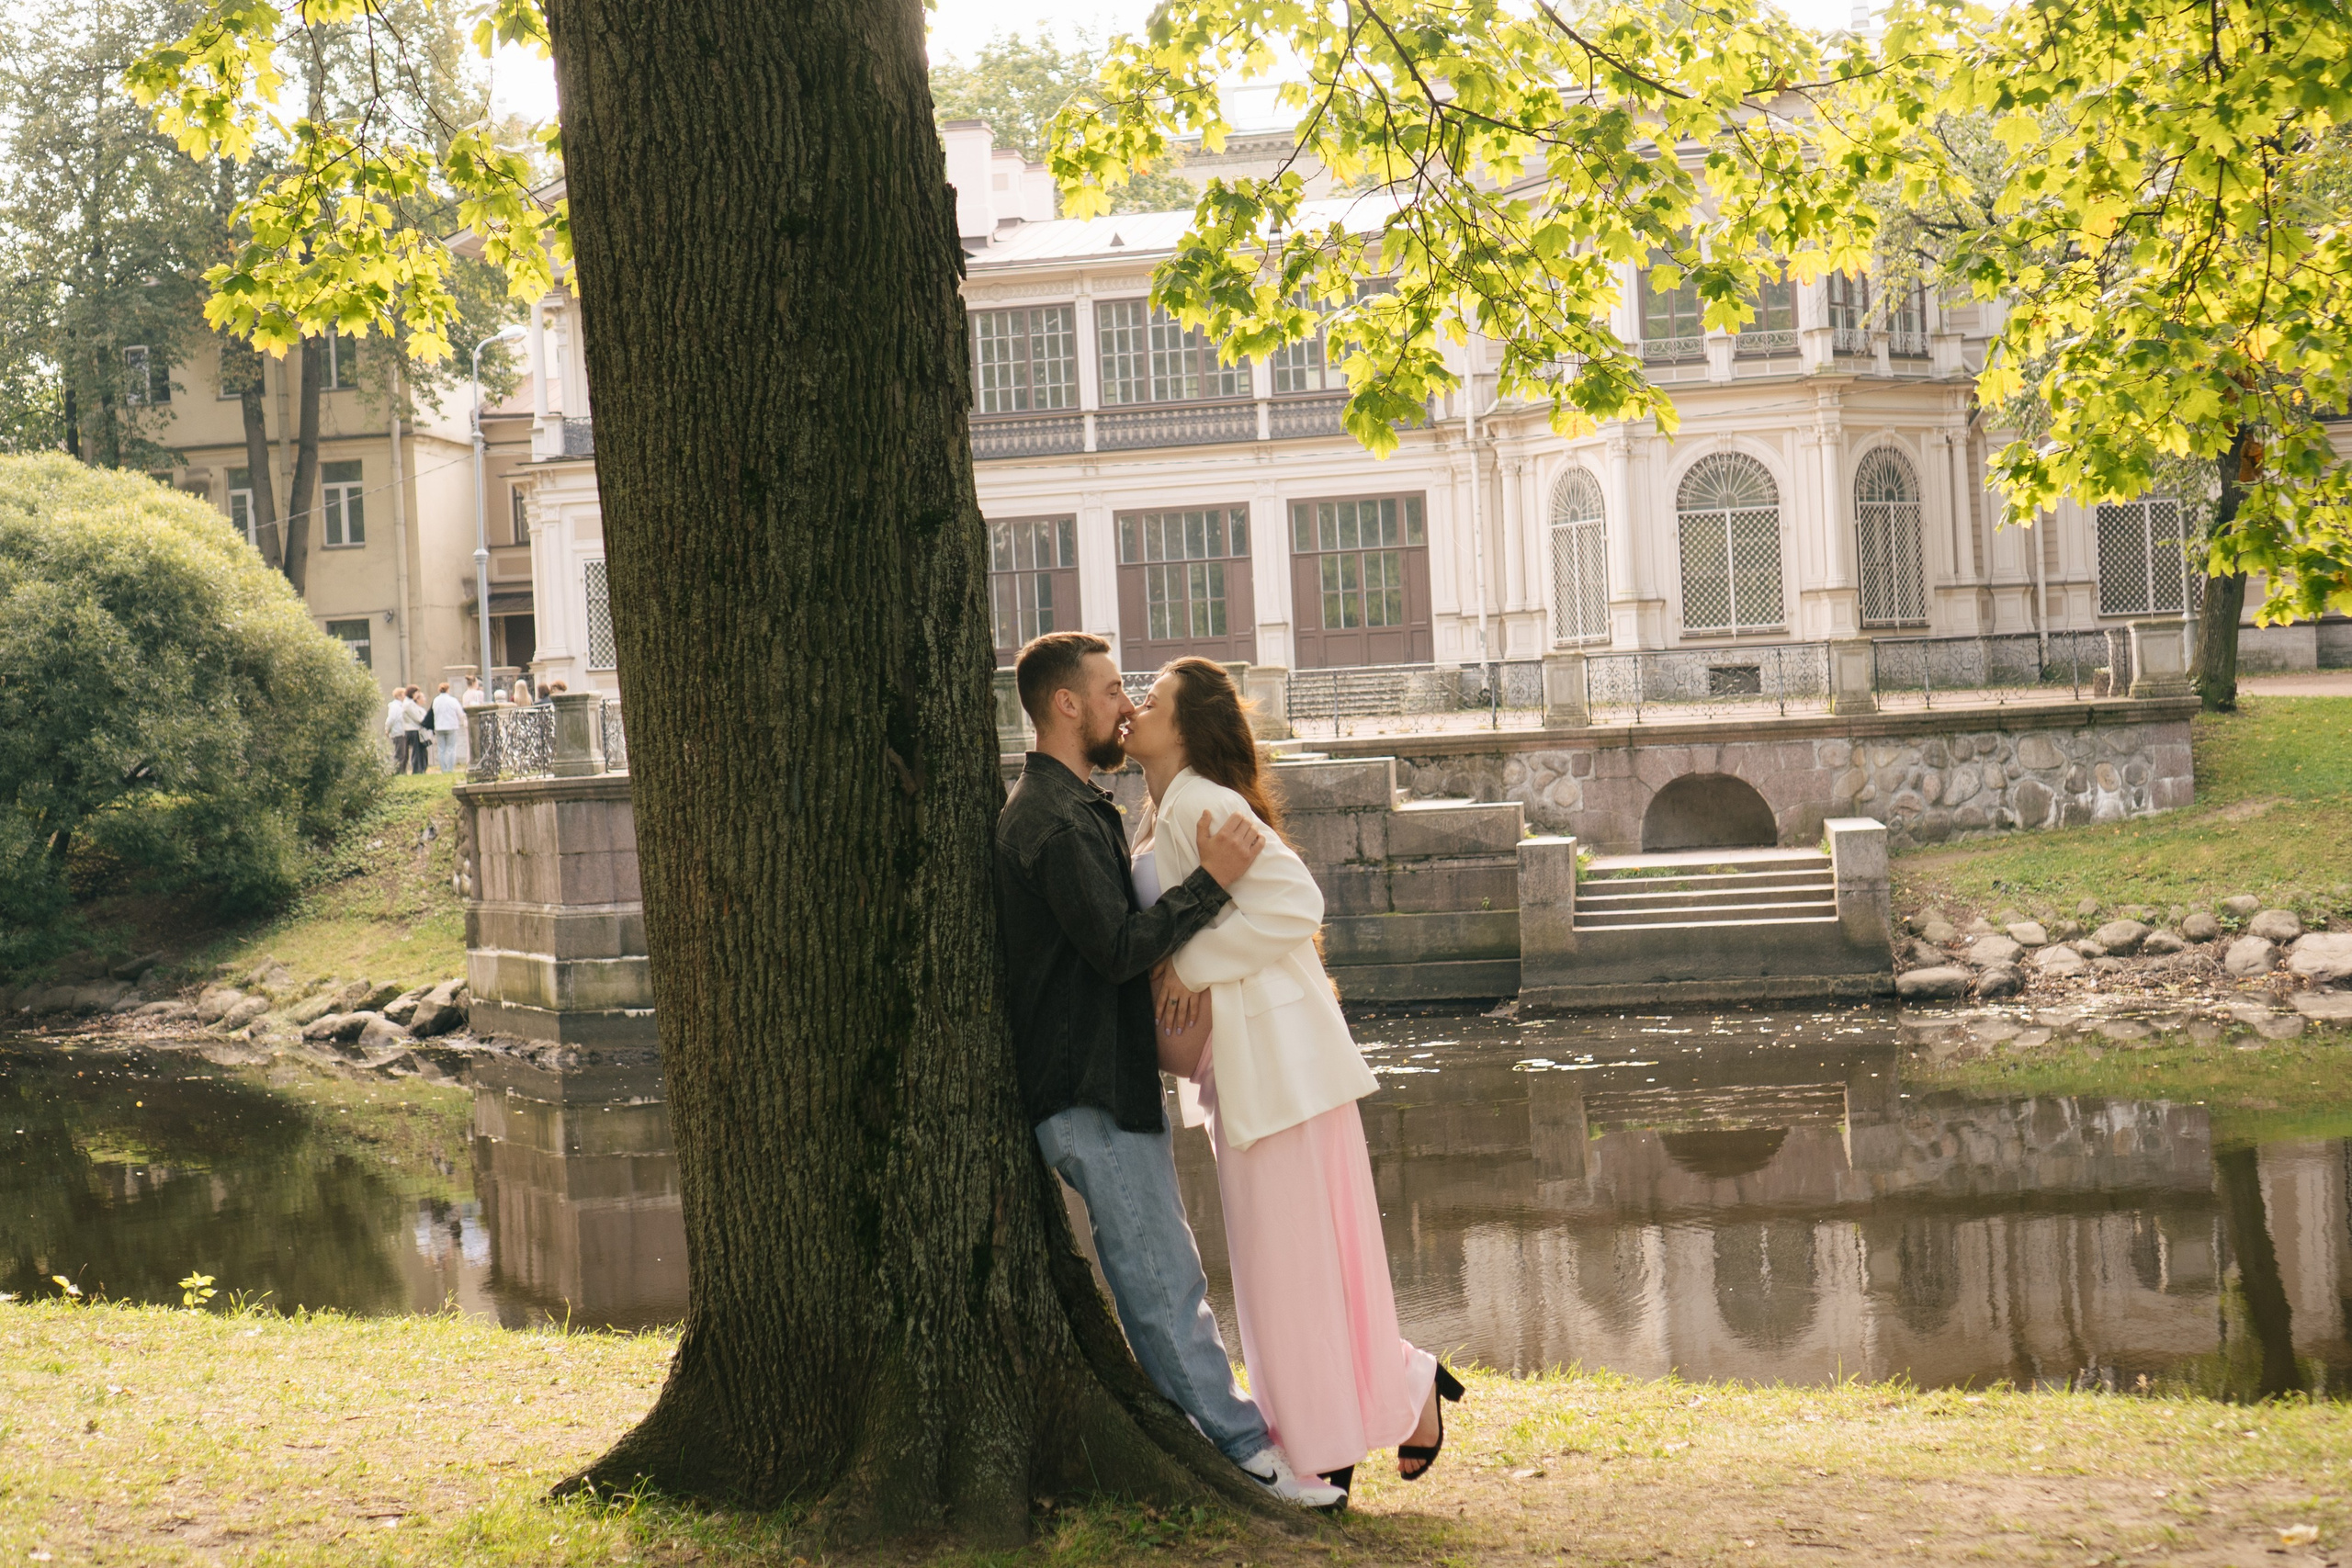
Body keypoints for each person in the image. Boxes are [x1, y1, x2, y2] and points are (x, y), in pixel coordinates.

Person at [993, 632, 1342, 1510]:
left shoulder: (1080, 808)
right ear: (1067, 704)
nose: (1125, 705)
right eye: (1114, 689)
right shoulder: (1051, 818)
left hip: (1108, 1083)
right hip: (1086, 1090)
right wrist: (1210, 885)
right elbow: (1116, 947)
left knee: (1165, 1270)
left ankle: (1225, 1439)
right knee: (1162, 1279)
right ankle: (1248, 1455)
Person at [1123, 657, 1463, 1508]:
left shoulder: (1201, 801)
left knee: (1290, 1271)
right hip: (1251, 1069)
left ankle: (1323, 1445)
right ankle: (1391, 1393)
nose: (1134, 706)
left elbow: (1296, 901)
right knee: (1301, 1265)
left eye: (1151, 699)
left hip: (1278, 1066)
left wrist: (1189, 967)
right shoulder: (1169, 809)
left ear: (1188, 726)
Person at [430, 681, 465, 773]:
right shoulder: (453, 700)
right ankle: (449, 769)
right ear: (448, 690)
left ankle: (443, 769)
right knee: (451, 748)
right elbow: (460, 713)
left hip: (439, 726)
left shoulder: (435, 700)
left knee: (441, 749)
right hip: (451, 726)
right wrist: (461, 721)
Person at [401, 686, 432, 774]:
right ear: (412, 693)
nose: (417, 695)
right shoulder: (408, 704)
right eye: (416, 693)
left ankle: (421, 769)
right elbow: (418, 717)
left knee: (421, 751)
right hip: (412, 729)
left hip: (415, 729)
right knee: (417, 751)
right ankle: (417, 769)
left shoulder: (410, 703)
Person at [382, 686, 413, 770]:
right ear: (399, 695)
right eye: (404, 694)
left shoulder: (402, 705)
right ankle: (397, 771)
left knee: (405, 755)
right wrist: (387, 729)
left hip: (403, 732)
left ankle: (403, 771)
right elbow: (391, 719)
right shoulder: (395, 706)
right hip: (398, 732)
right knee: (400, 754)